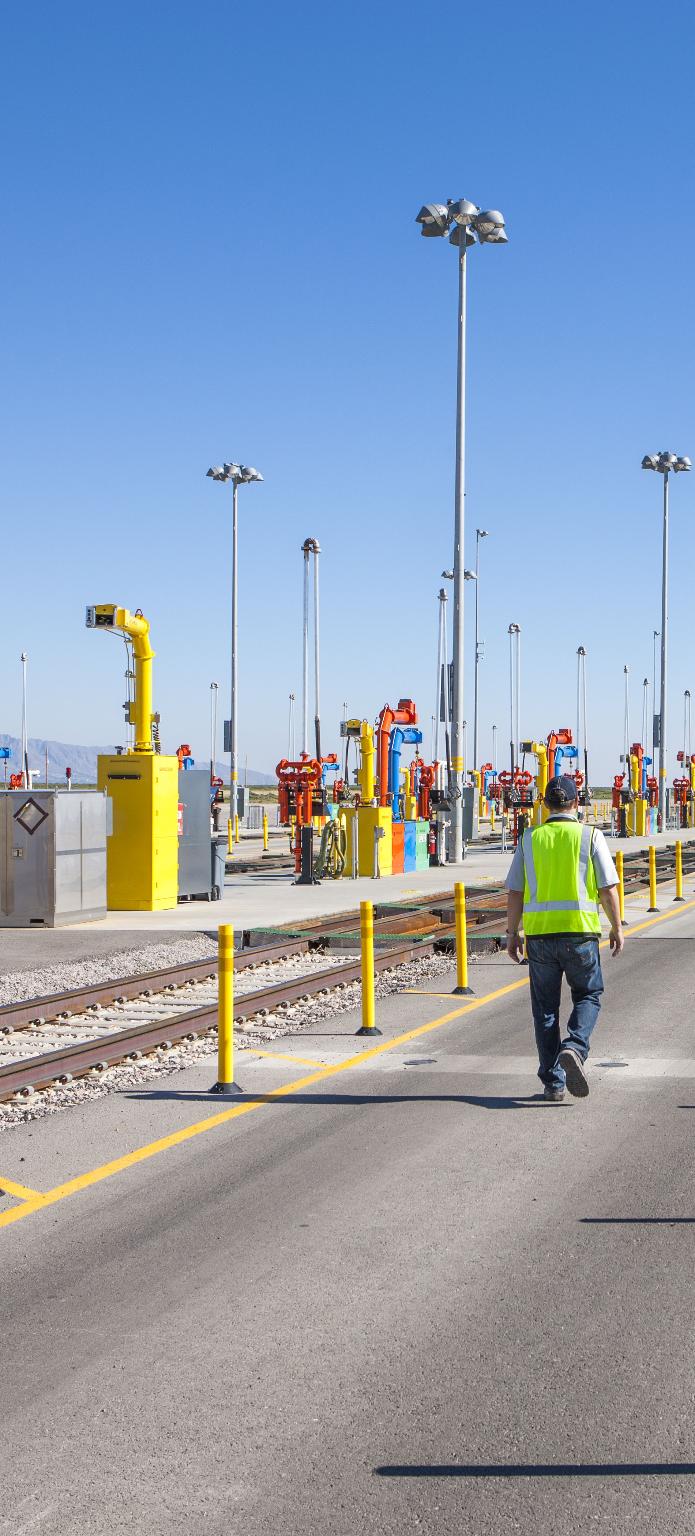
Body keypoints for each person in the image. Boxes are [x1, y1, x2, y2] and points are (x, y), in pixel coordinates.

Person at [505, 775, 624, 1102]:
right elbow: (607, 888)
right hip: (581, 934)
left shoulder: (530, 838)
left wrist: (511, 933)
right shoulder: (590, 836)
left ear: (544, 804)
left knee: (544, 1010)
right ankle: (574, 1046)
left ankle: (553, 1084)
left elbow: (515, 891)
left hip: (540, 938)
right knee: (588, 994)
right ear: (577, 803)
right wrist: (617, 926)